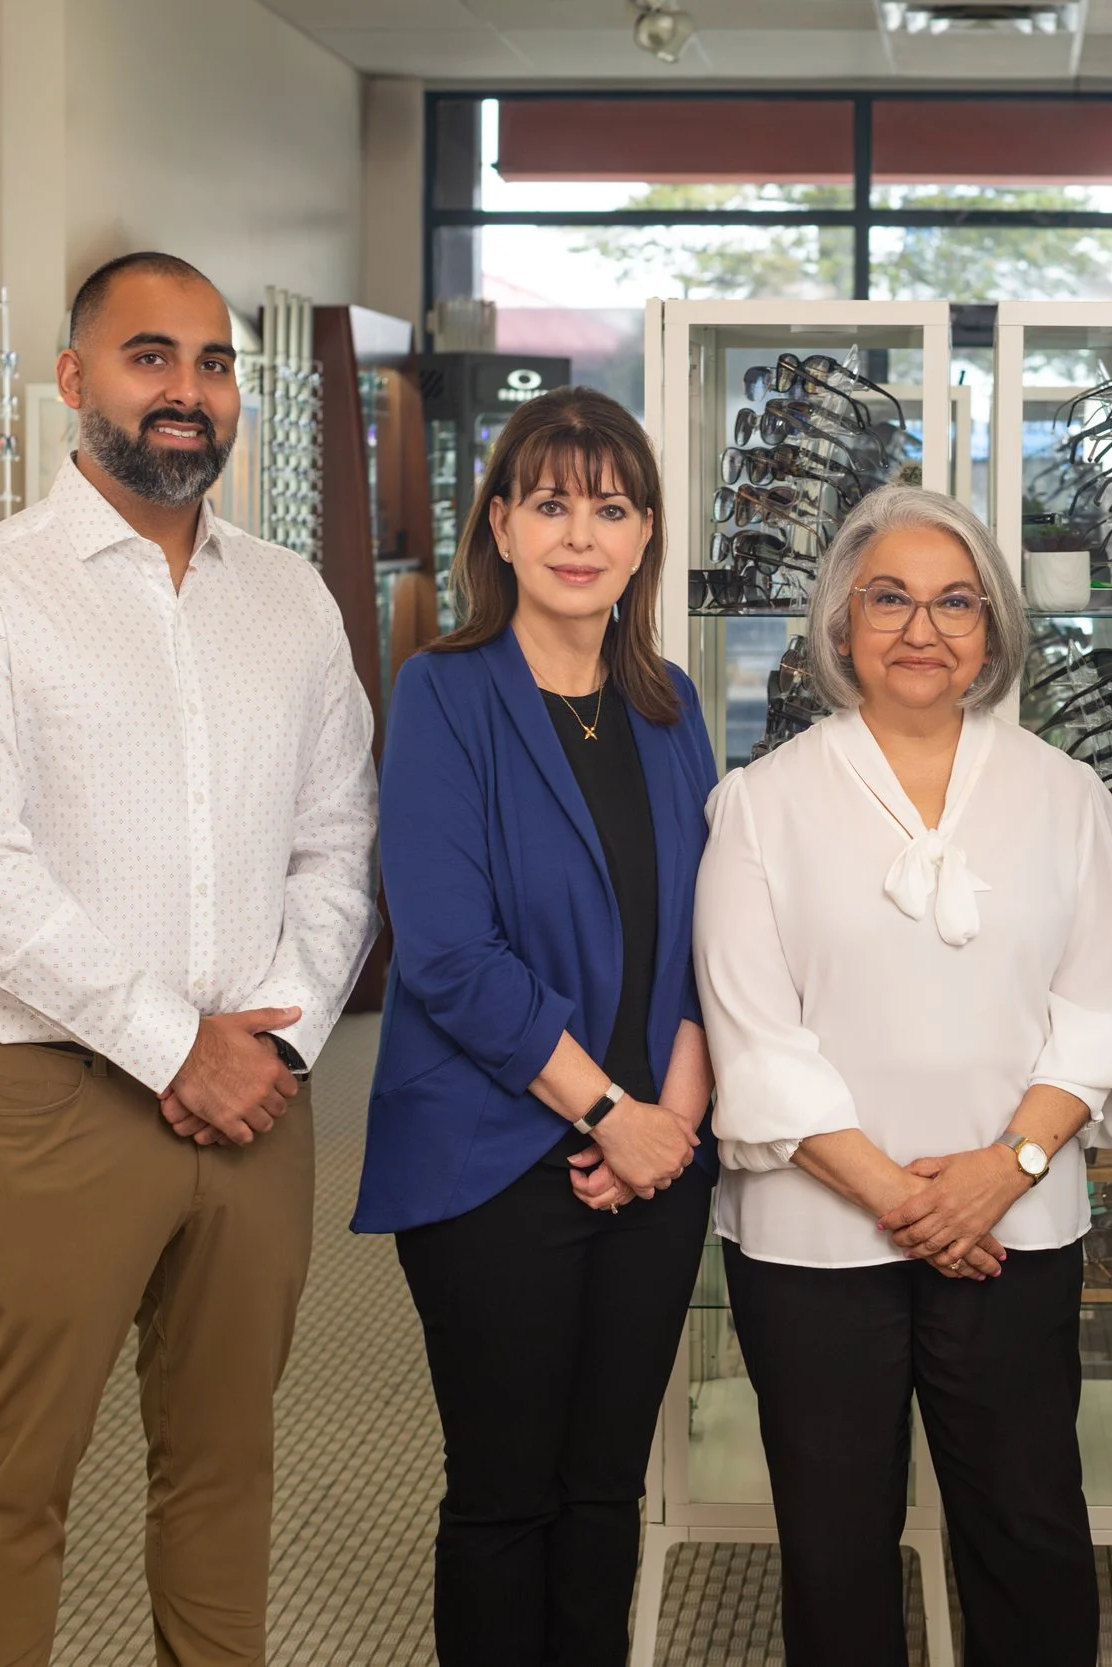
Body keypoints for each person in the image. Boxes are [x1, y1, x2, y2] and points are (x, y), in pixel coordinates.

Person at [0, 251, 378, 1667]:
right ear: (75, 379)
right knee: (15, 1482)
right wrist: (179, 1044)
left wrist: (276, 1044)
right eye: (150, 356)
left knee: (226, 1467)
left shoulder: (287, 598)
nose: (187, 390)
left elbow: (338, 842)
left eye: (213, 363)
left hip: (257, 1107)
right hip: (50, 1106)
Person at [694, 485, 1112, 1667]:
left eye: (956, 602)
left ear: (993, 634)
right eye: (887, 598)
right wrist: (906, 1199)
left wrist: (1004, 1167)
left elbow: (1100, 1011)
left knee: (1030, 1530)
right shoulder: (759, 804)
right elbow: (755, 1037)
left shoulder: (1069, 797)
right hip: (816, 1239)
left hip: (1015, 1221)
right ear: (840, 627)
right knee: (836, 1547)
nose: (921, 628)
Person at [354, 387, 716, 1667]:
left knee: (605, 1487)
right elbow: (448, 954)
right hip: (492, 1157)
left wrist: (669, 1122)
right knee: (507, 1491)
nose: (580, 533)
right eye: (551, 502)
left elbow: (712, 939)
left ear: (645, 534)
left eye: (610, 507)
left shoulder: (671, 705)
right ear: (498, 524)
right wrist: (611, 1115)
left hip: (657, 1159)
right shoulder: (444, 694)